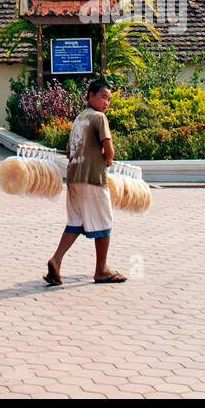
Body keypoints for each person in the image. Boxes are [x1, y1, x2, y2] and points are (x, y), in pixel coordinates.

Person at [45, 78, 126, 285]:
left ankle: (56, 260)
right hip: (92, 178)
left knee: (75, 222)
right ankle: (101, 270)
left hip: (73, 178)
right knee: (104, 221)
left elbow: (71, 153)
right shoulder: (99, 118)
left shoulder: (79, 118)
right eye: (102, 97)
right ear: (90, 96)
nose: (106, 103)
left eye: (109, 99)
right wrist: (108, 160)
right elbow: (108, 148)